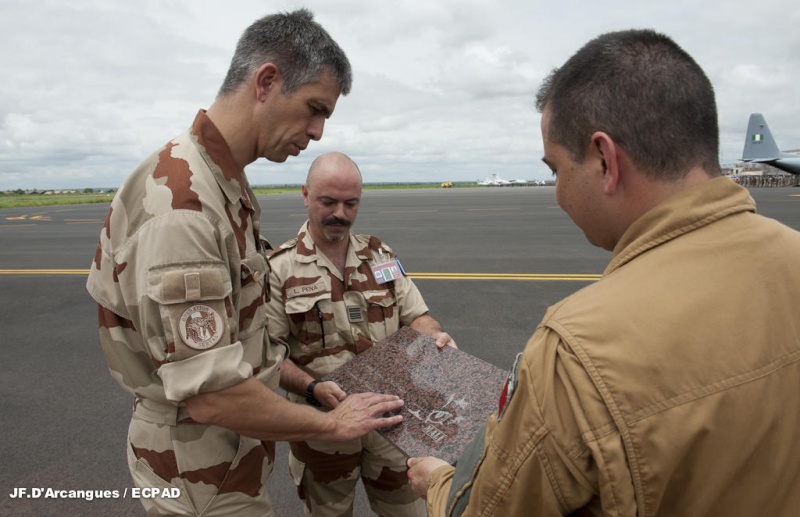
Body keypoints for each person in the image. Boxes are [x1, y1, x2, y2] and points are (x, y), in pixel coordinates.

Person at [407, 29, 800, 516]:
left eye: (555, 169)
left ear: (604, 159)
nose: (557, 193)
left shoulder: (578, 349)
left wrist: (439, 483)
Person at [86, 10, 405, 517]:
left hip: (227, 455)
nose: (318, 132)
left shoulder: (221, 184)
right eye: (313, 108)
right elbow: (214, 397)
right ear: (267, 82)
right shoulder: (185, 207)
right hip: (199, 471)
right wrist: (333, 423)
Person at [266, 151, 457, 516]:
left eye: (350, 203)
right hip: (325, 430)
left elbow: (418, 315)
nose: (340, 212)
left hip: (395, 427)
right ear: (305, 195)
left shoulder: (380, 255)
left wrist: (435, 337)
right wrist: (311, 387)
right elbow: (269, 356)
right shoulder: (279, 269)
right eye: (328, 201)